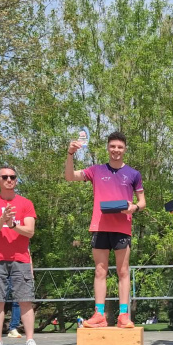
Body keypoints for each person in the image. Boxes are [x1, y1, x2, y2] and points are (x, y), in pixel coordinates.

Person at [65, 131, 145, 328]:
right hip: (99, 227)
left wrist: (133, 207)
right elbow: (69, 176)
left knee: (123, 271)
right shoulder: (96, 170)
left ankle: (123, 315)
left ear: (125, 149)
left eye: (120, 147)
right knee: (100, 271)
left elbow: (143, 202)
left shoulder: (134, 174)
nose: (116, 150)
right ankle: (99, 315)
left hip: (122, 228)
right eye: (112, 146)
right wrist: (70, 154)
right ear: (107, 148)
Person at [0, 166, 40, 345]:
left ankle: (30, 340)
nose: (9, 179)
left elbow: (30, 231)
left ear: (16, 180)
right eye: (4, 176)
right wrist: (2, 219)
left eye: (12, 177)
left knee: (25, 300)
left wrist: (13, 224)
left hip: (21, 258)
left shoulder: (26, 203)